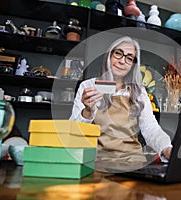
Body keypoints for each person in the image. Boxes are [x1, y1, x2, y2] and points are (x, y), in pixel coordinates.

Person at [70, 36, 172, 166]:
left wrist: (166, 148)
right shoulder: (88, 86)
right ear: (109, 55)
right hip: (97, 162)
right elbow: (73, 131)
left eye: (129, 58)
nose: (122, 61)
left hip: (133, 163)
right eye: (118, 53)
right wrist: (87, 111)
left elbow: (151, 128)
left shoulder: (139, 91)